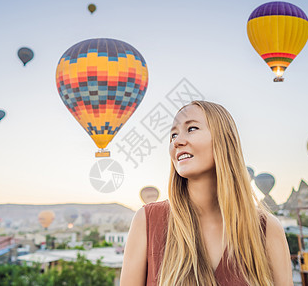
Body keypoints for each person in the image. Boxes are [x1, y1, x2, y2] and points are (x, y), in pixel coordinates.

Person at [120, 100, 293, 286]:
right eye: (173, 135)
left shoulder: (266, 229)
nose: (177, 141)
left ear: (224, 139)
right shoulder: (148, 221)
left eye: (191, 128)